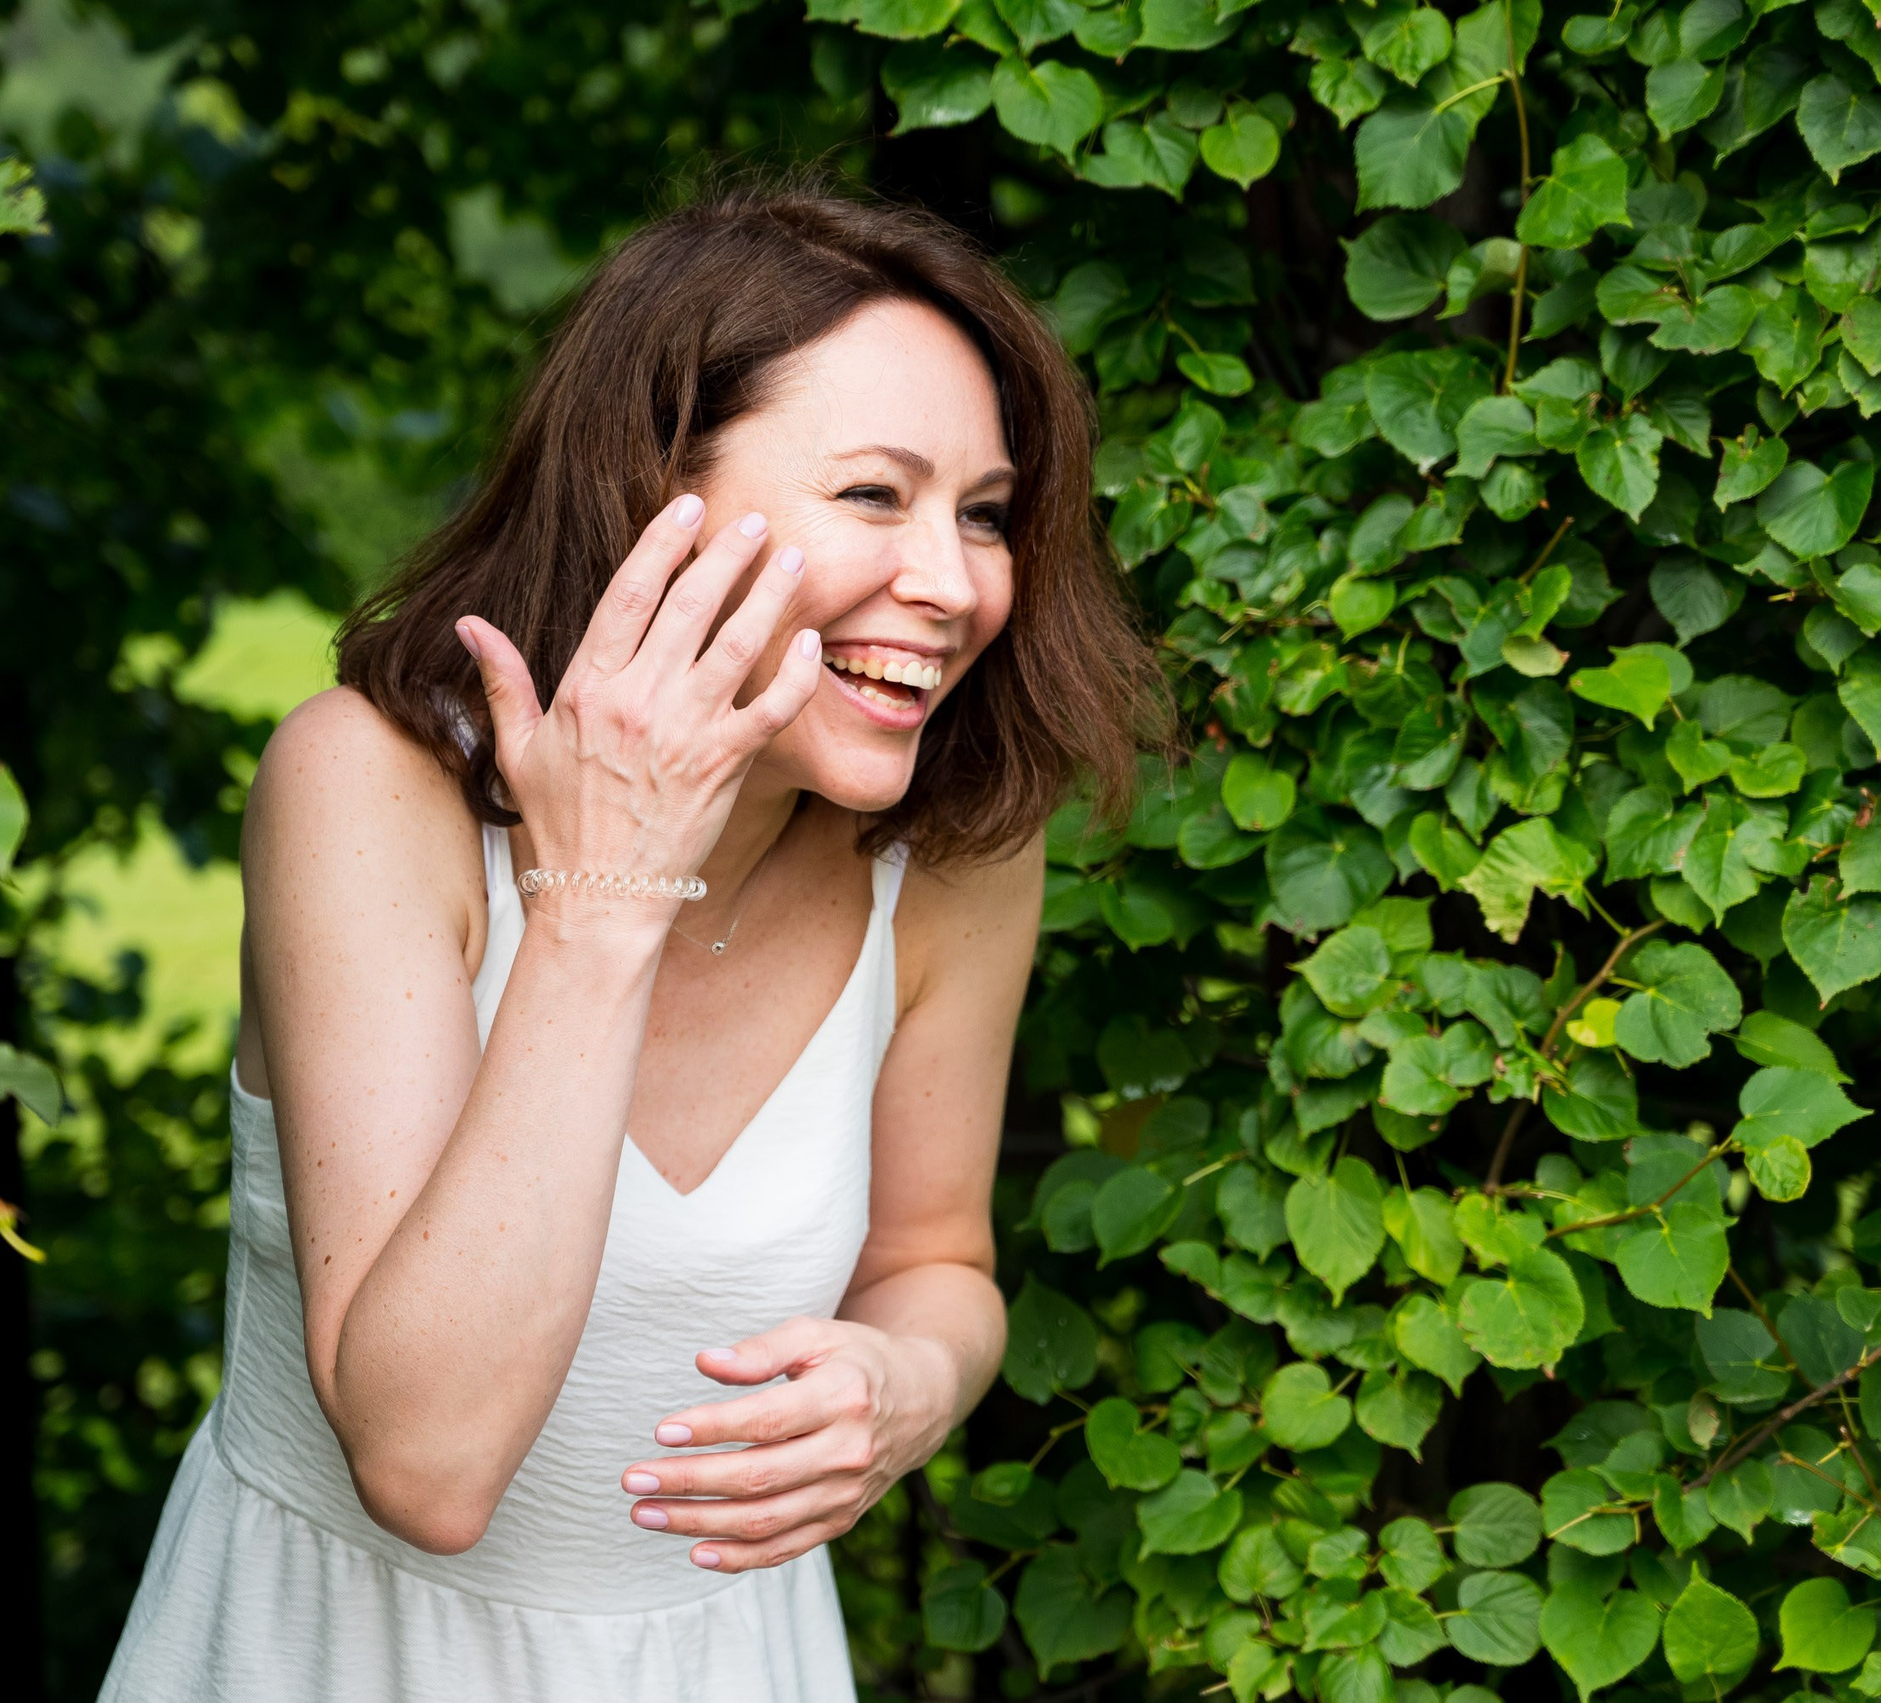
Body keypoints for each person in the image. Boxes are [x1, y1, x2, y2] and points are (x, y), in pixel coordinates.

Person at [98, 182, 1155, 1701]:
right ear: (652, 493)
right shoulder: (366, 788)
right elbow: (426, 1462)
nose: (954, 583)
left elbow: (935, 1259)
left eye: (983, 513)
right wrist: (603, 899)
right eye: (876, 495)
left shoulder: (956, 854)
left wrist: (906, 1381)